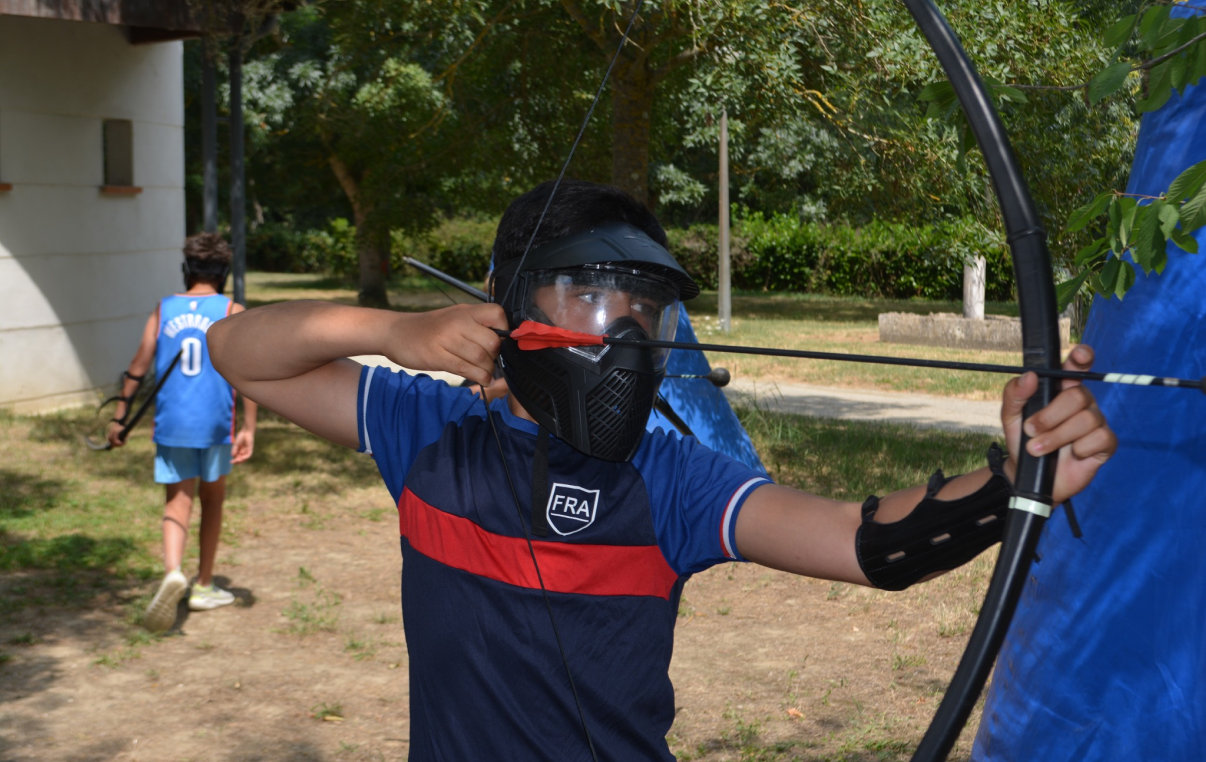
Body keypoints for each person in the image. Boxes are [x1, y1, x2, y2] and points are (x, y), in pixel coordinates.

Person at [207, 179, 1115, 761]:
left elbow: (862, 540)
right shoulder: (428, 430)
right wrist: (393, 332)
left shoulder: (670, 478)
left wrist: (1016, 480)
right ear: (509, 300)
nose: (625, 332)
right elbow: (236, 352)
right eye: (589, 295)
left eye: (644, 308)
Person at [109, 233, 257, 633]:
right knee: (213, 501)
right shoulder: (231, 310)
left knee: (177, 503)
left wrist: (119, 418)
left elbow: (137, 367)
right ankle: (204, 585)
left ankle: (173, 571)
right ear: (224, 272)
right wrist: (248, 426)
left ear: (187, 269)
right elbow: (248, 374)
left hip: (172, 424)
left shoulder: (164, 309)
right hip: (215, 425)